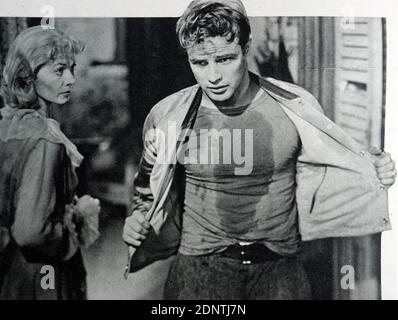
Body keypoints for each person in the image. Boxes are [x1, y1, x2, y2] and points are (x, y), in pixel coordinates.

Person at [123, 0, 396, 299]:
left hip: (279, 268)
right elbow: (145, 191)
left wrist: (377, 164)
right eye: (200, 63)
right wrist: (138, 218)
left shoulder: (293, 104)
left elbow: (340, 155)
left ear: (246, 46)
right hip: (199, 268)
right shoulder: (168, 115)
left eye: (225, 59)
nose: (213, 76)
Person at [0, 26, 100, 300]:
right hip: (45, 274)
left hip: (11, 271)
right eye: (59, 71)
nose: (70, 80)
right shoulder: (46, 141)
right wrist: (70, 228)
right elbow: (32, 231)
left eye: (72, 69)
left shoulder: (7, 125)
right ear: (28, 77)